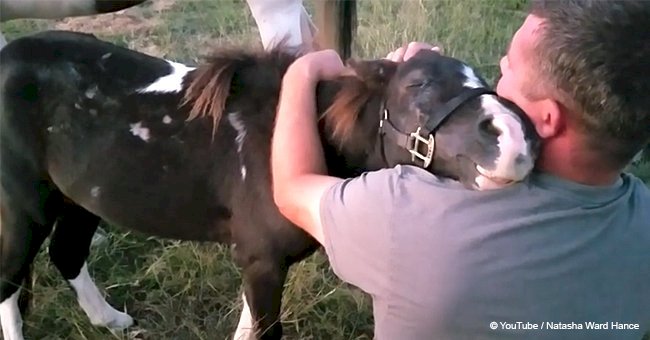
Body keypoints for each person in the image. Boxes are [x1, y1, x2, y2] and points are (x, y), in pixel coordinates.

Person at [270, 0, 650, 339]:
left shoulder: (410, 214)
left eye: (511, 67)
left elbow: (292, 189)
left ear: (548, 119)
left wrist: (298, 76)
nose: (500, 69)